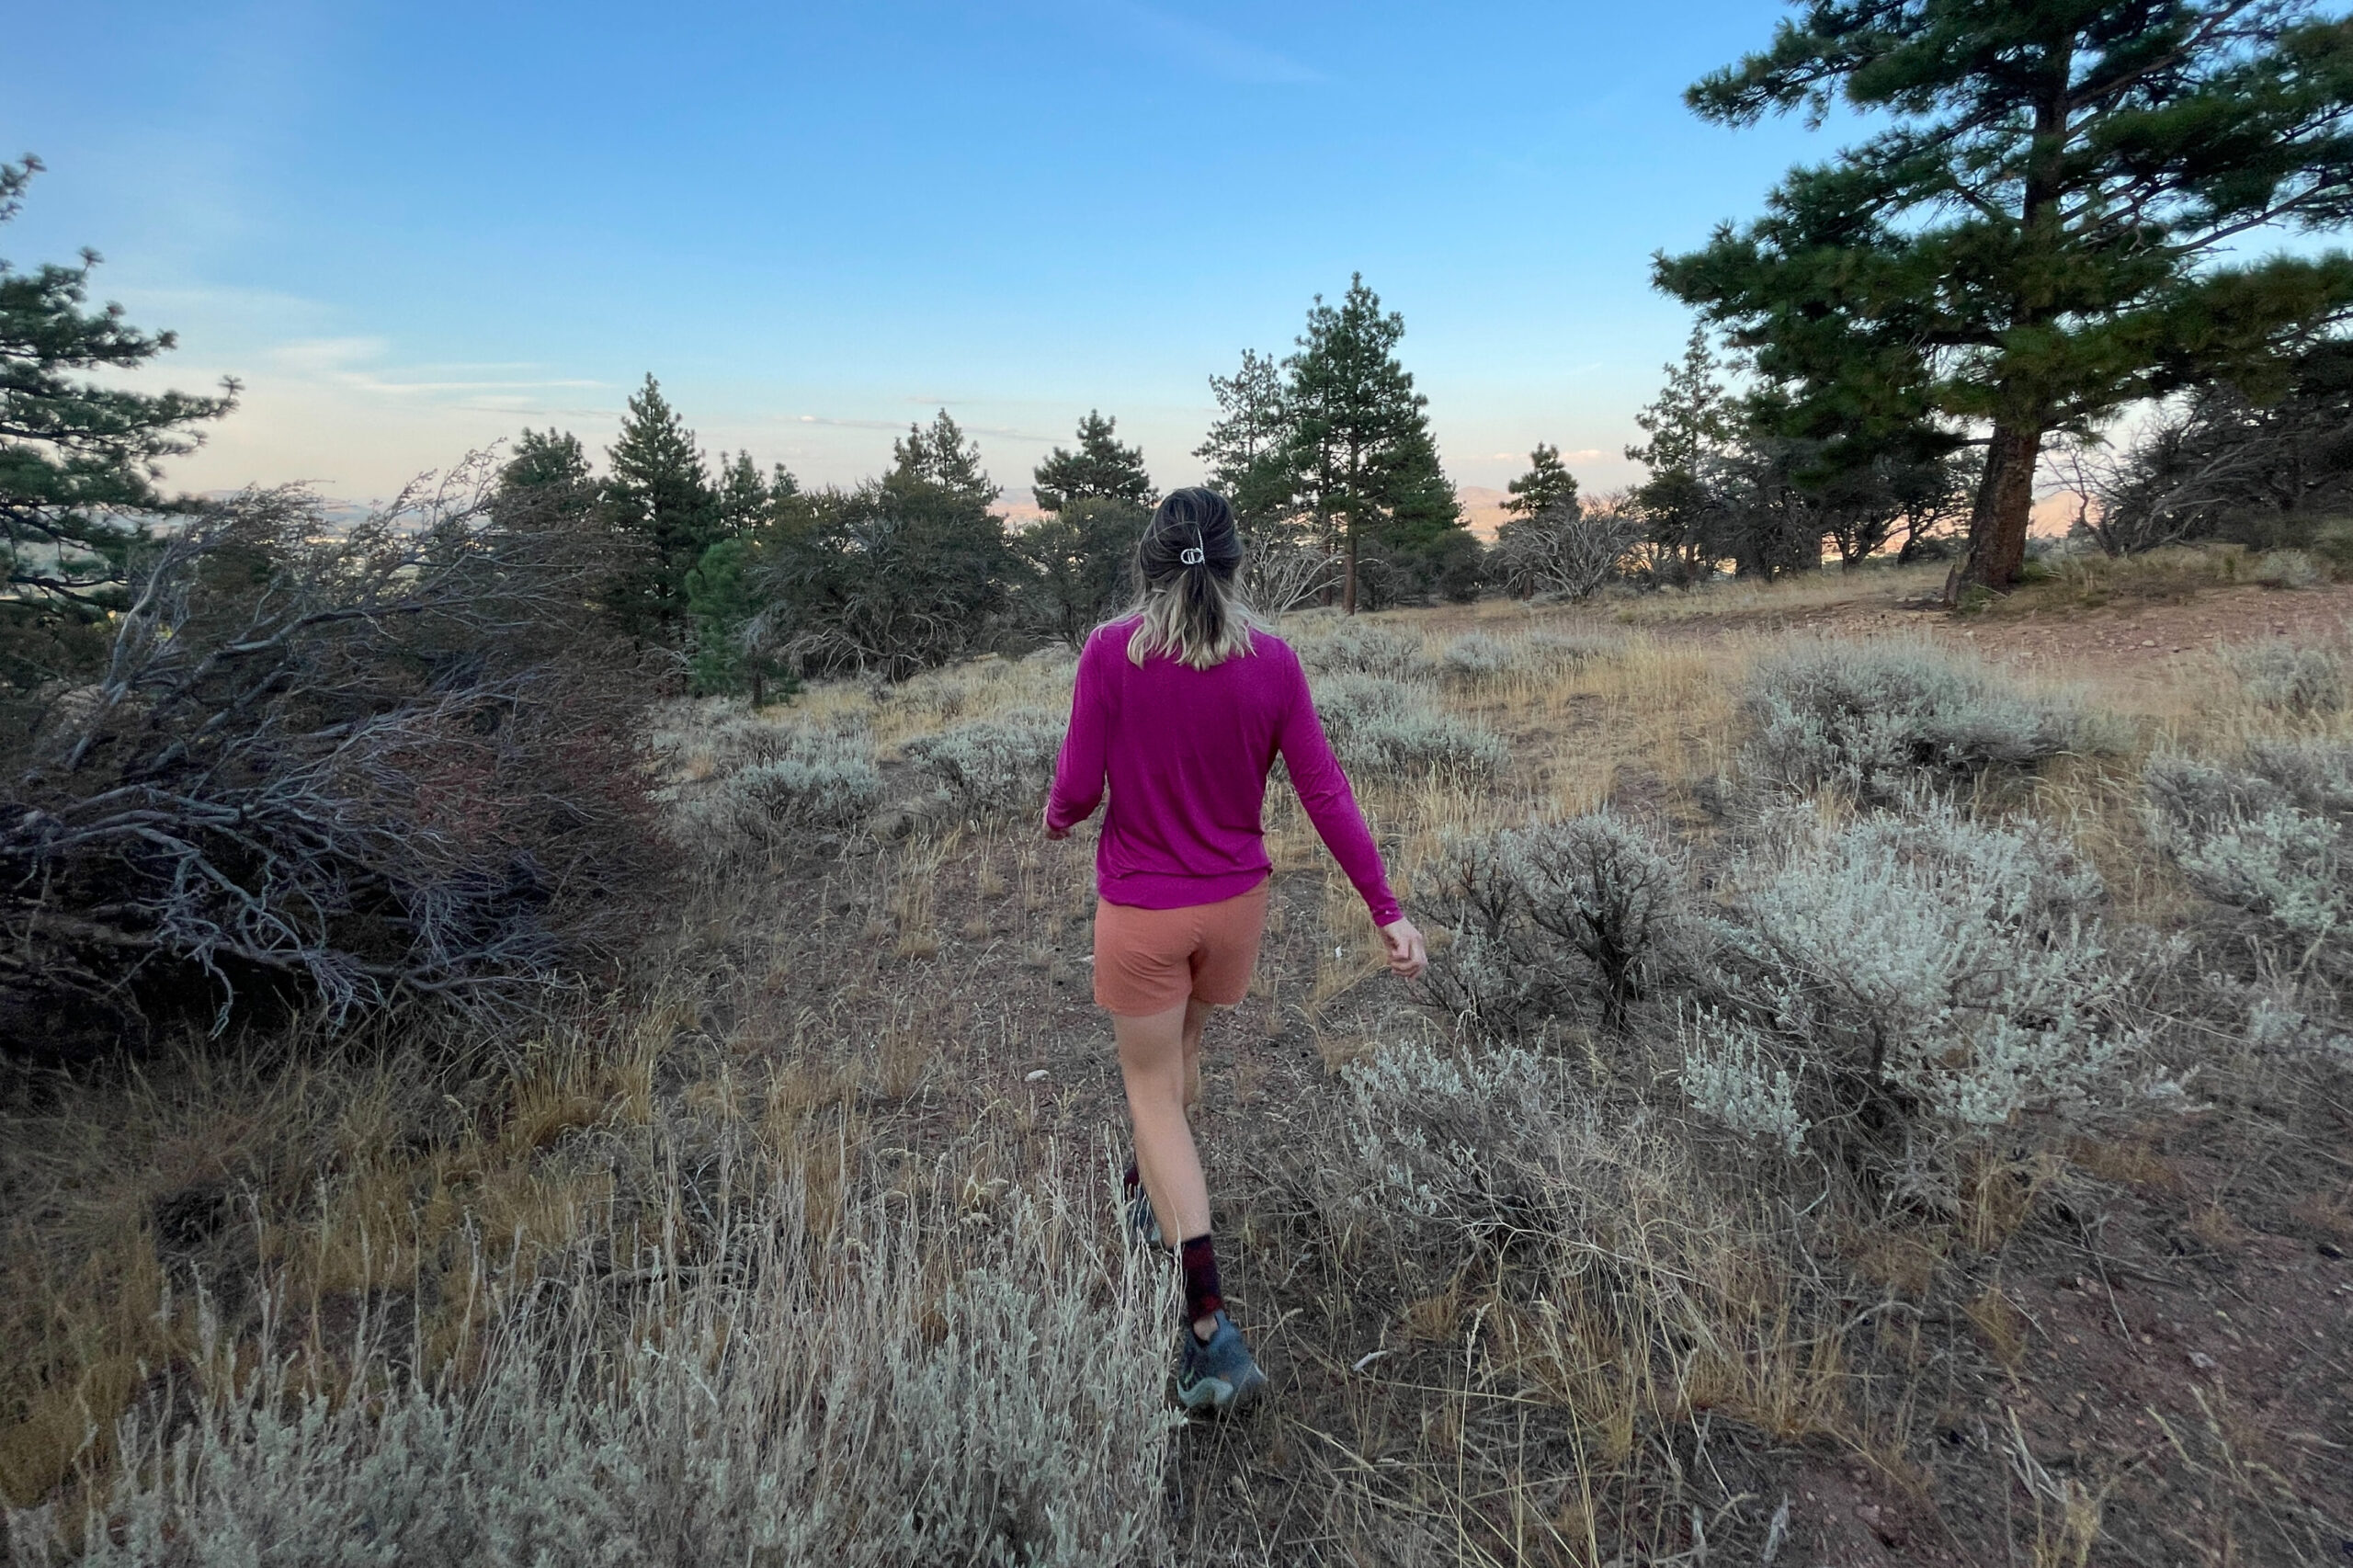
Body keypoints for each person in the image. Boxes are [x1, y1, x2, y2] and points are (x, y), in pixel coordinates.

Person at [1042, 486, 1428, 1415]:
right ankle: (1149, 1188)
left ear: (1148, 563)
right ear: (1234, 563)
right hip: (1233, 911)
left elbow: (1078, 785)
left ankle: (1208, 1333)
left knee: (1149, 1092)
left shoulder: (1107, 652)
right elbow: (1325, 792)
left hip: (1141, 912)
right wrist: (1387, 909)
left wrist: (1056, 817)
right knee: (1182, 1059)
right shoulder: (1275, 663)